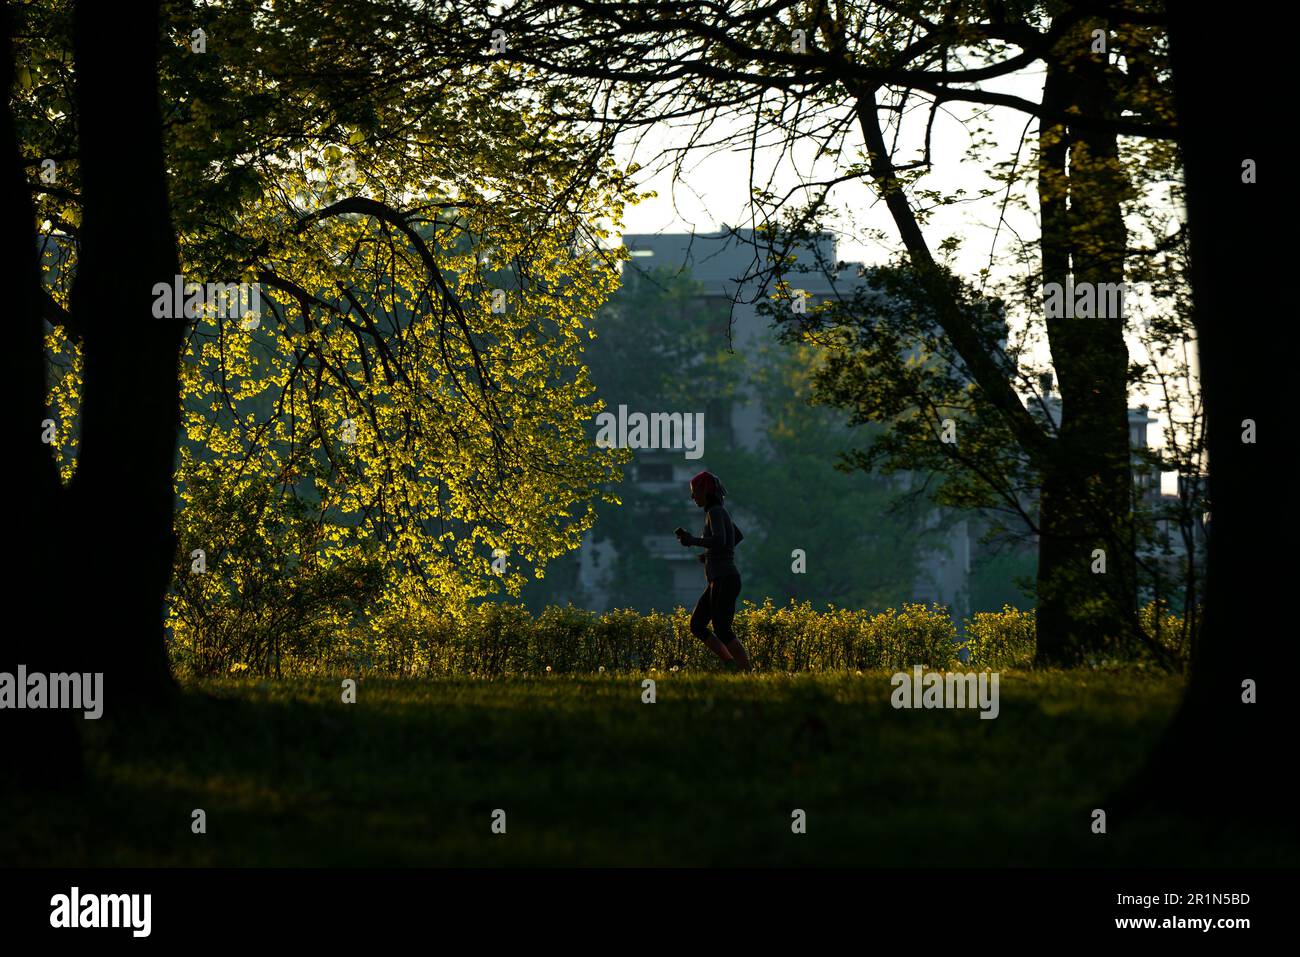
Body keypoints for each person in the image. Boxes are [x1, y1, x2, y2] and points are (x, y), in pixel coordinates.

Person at [675, 470, 752, 671]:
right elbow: (736, 536)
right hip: (719, 578)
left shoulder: (715, 512)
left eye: (695, 492)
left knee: (722, 629)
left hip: (724, 578)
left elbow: (720, 540)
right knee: (697, 625)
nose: (692, 497)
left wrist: (693, 541)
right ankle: (731, 665)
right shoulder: (718, 511)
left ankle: (746, 671)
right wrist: (710, 555)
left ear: (706, 491)